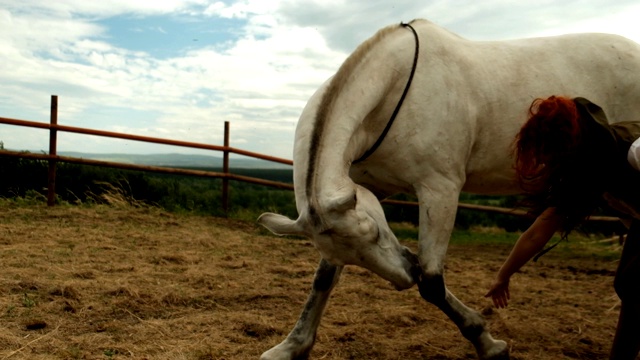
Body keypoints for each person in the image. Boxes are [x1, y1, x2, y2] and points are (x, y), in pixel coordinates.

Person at [485, 95, 640, 359]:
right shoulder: (584, 170)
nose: (543, 163)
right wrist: (503, 275)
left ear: (564, 147)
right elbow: (538, 231)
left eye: (546, 154)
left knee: (634, 281)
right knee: (629, 284)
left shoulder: (634, 150)